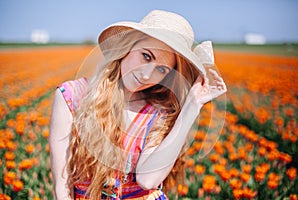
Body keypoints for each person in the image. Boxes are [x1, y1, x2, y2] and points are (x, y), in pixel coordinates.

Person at [49, 9, 226, 200]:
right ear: (128, 46)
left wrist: (193, 104)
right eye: (146, 56)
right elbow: (62, 184)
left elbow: (148, 180)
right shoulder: (72, 97)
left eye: (161, 69)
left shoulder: (159, 111)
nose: (147, 75)